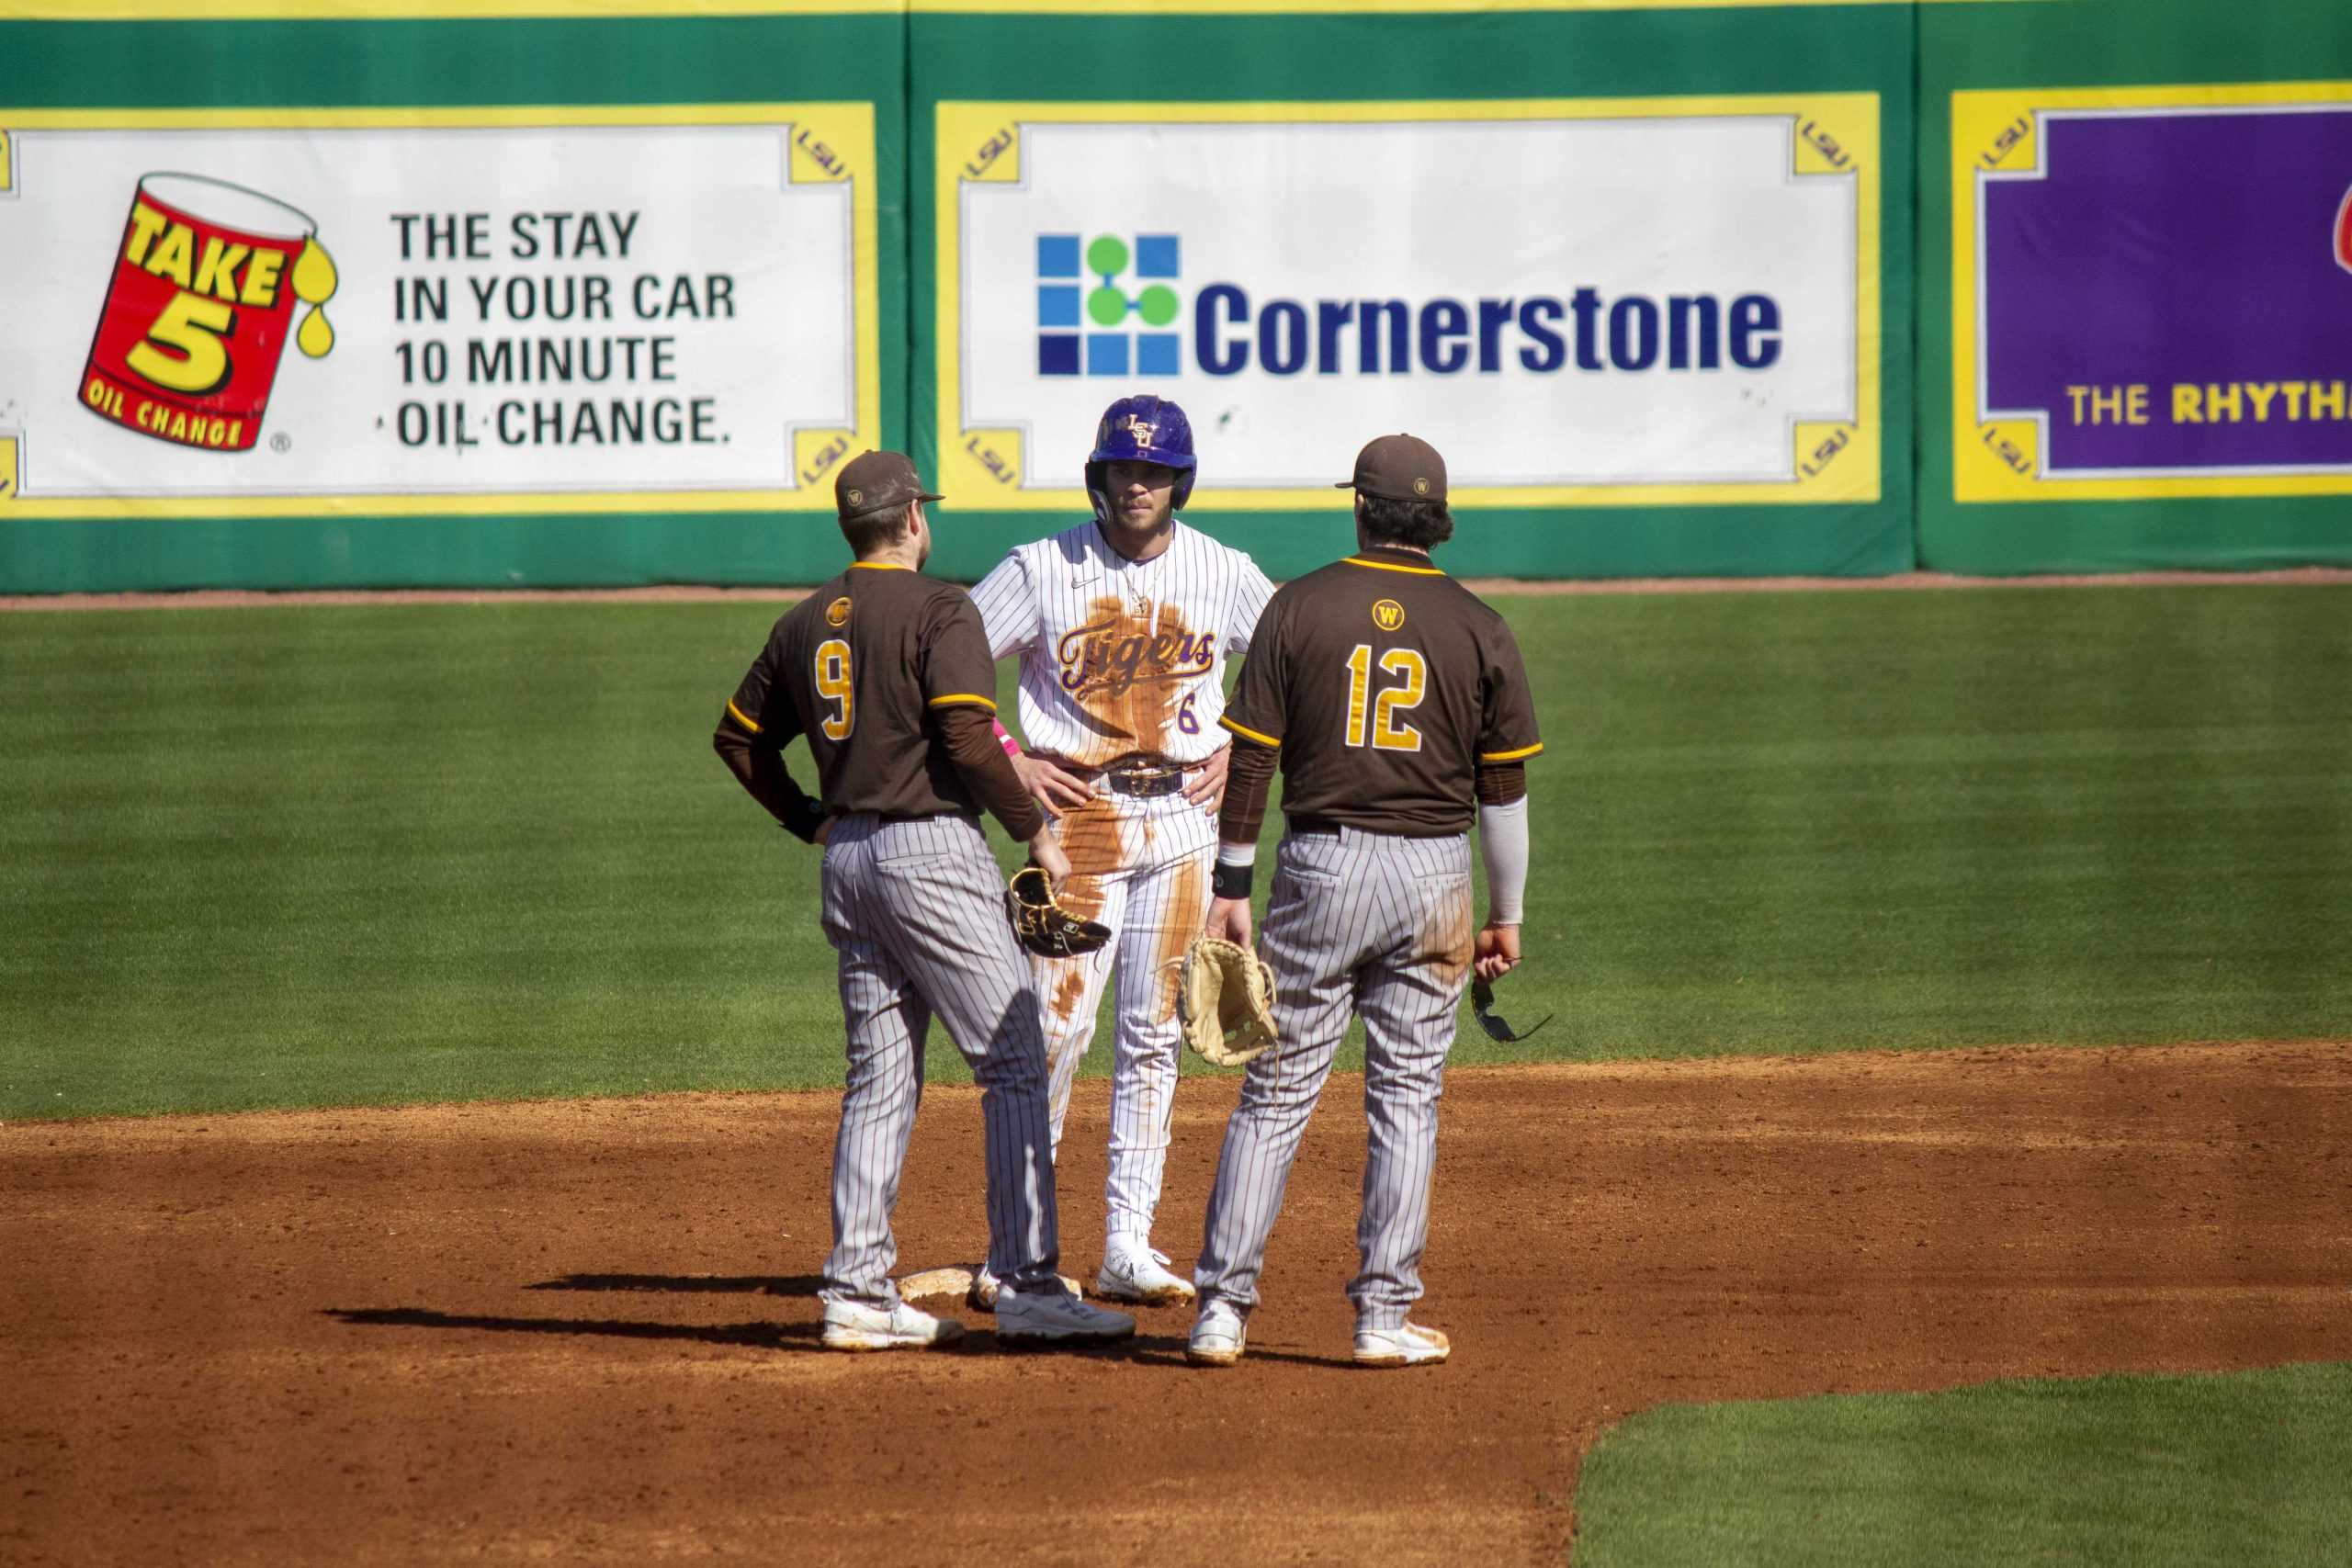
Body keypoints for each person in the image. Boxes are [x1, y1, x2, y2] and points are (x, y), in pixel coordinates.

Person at [713, 449, 1136, 1352]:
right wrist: (1036, 828)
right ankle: (1027, 1286)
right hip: (930, 852)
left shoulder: (800, 623)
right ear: (912, 519)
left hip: (851, 862)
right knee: (1015, 1057)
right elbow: (966, 735)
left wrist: (810, 821)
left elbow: (738, 740)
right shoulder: (941, 605)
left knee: (879, 1077)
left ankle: (857, 1291)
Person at [1183, 434, 1541, 1369]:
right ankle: (1382, 1317)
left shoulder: (1299, 605)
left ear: (1359, 508)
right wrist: (1505, 913)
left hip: (1322, 870)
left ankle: (1220, 1310)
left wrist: (1229, 883)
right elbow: (1502, 793)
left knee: (1274, 1094)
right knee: (1408, 1100)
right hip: (1435, 878)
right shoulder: (1479, 624)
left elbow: (1252, 757)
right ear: (1438, 519)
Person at [966, 394, 1276, 1305]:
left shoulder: (1221, 569)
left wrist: (1244, 738)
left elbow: (1299, 656)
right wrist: (1011, 762)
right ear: (1097, 476)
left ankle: (1127, 1246)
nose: (1135, 484)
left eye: (1152, 471)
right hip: (1080, 827)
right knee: (1053, 1032)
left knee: (1153, 1037)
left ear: (1178, 481)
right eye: (1120, 469)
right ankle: (1017, 1249)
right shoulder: (1040, 567)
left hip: (1184, 824)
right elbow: (941, 664)